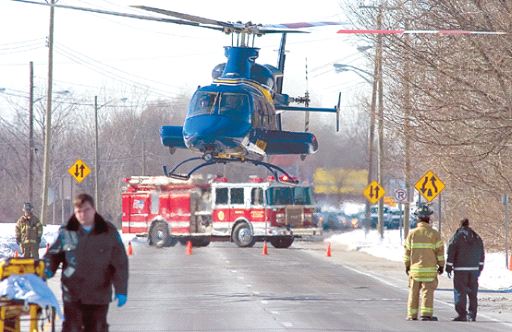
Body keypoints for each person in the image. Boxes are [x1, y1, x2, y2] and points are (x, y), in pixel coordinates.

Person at [44, 193, 129, 332]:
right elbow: (53, 255)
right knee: (72, 328)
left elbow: (120, 263)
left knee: (96, 328)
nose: (83, 214)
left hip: (99, 294)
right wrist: (47, 269)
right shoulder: (67, 231)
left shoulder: (108, 231)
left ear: (94, 210)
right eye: (79, 211)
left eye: (86, 210)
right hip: (72, 293)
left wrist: (121, 290)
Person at [403, 203, 445, 321]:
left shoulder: (412, 234)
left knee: (413, 292)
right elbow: (440, 253)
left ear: (418, 218)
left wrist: (407, 266)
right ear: (429, 218)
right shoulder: (434, 234)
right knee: (427, 292)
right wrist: (441, 266)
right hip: (429, 270)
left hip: (415, 271)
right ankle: (426, 315)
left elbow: (406, 252)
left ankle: (412, 315)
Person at [446, 218, 485, 322]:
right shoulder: (476, 236)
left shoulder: (457, 236)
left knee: (460, 291)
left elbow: (451, 250)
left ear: (460, 224)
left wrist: (449, 266)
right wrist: (480, 266)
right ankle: (472, 314)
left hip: (460, 269)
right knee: (473, 293)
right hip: (473, 269)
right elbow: (481, 251)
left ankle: (462, 314)